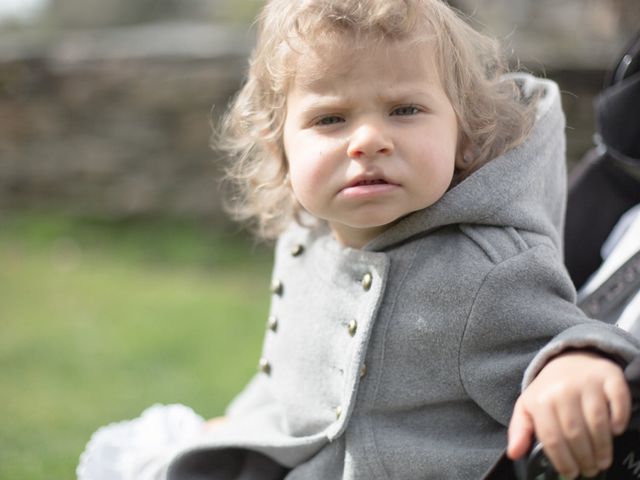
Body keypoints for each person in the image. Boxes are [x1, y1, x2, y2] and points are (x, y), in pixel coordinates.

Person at [77, 1, 640, 479]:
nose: (368, 139)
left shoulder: (482, 267)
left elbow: (560, 333)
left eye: (404, 109)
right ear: (280, 149)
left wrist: (573, 364)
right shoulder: (310, 241)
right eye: (330, 120)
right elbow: (291, 374)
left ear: (464, 136)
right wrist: (245, 419)